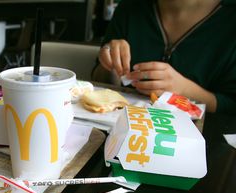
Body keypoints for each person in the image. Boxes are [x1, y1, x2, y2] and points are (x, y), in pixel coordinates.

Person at [92, 0, 236, 114]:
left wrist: (185, 90)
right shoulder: (130, 7)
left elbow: (231, 106)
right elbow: (98, 81)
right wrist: (110, 65)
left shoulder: (229, 19)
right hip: (123, 131)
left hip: (208, 141)